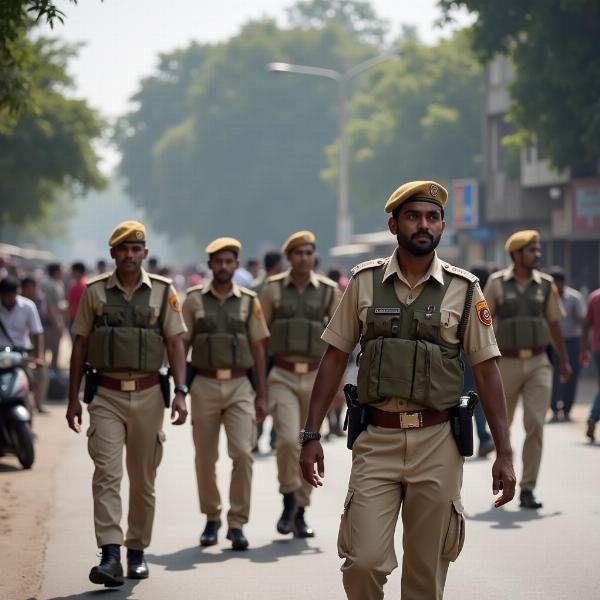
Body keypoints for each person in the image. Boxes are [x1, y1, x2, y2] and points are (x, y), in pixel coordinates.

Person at [299, 181, 516, 600]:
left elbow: (487, 372)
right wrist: (310, 435)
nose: (423, 225)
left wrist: (504, 452)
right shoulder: (364, 283)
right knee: (362, 563)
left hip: (438, 443)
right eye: (414, 216)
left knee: (424, 575)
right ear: (393, 224)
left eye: (432, 218)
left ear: (442, 226)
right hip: (376, 440)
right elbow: (333, 359)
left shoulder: (466, 288)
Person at [65, 220, 189, 587]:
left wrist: (181, 391)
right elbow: (81, 345)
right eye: (124, 249)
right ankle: (110, 553)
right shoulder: (95, 292)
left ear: (145, 253)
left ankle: (136, 549)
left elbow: (175, 344)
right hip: (105, 394)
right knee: (106, 472)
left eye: (137, 249)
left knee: (143, 478)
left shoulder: (163, 292)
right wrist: (73, 398)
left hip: (151, 394)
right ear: (113, 254)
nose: (130, 255)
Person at [182, 237, 269, 550]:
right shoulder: (193, 300)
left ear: (236, 265)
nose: (223, 266)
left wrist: (262, 394)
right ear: (209, 265)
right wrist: (180, 389)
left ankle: (237, 523)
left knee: (243, 454)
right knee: (205, 457)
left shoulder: (249, 301)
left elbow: (259, 348)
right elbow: (182, 345)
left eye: (229, 261)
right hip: (203, 384)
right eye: (218, 261)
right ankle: (211, 516)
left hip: (239, 387)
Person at [259, 231, 339, 538]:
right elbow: (260, 337)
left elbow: (341, 338)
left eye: (308, 253)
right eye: (298, 253)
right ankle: (289, 497)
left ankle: (302, 510)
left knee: (310, 442)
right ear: (289, 257)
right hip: (283, 374)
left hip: (317, 377)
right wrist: (259, 387)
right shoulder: (273, 289)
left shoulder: (330, 291)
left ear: (314, 257)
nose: (304, 258)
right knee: (287, 440)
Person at [484, 230, 570, 510]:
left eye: (538, 249)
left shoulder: (545, 285)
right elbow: (482, 324)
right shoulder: (497, 284)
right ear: (517, 254)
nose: (538, 255)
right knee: (502, 426)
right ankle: (503, 472)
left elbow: (554, 324)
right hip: (505, 363)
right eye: (532, 250)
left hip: (538, 363)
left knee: (535, 423)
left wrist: (564, 360)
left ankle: (528, 488)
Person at [251, 250, 283, 452]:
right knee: (272, 396)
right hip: (274, 350)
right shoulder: (278, 288)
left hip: (260, 350)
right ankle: (271, 436)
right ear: (278, 265)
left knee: (261, 394)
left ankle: (258, 436)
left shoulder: (254, 287)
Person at [0, 277, 45, 414]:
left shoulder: (28, 306)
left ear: (17, 293)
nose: (8, 299)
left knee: (34, 380)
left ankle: (33, 407)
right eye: (5, 296)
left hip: (21, 354)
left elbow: (37, 332)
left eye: (11, 295)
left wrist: (39, 356)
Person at [547, 267, 585, 422]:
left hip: (572, 342)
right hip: (553, 343)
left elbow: (582, 320)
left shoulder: (574, 298)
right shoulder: (547, 297)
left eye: (557, 284)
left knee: (572, 375)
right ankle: (555, 409)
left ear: (563, 283)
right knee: (555, 376)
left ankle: (567, 410)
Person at [20, 277, 49, 412]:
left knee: (41, 374)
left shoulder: (30, 304)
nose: (35, 291)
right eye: (33, 288)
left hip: (26, 351)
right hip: (7, 353)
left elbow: (37, 333)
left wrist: (39, 356)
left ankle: (38, 404)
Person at [581, 286, 600, 442]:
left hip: (597, 348)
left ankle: (594, 416)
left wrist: (584, 349)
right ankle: (594, 415)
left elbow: (586, 324)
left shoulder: (594, 296)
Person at [42, 263, 67, 370]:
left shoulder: (57, 284)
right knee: (48, 351)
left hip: (54, 321)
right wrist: (57, 325)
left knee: (53, 351)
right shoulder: (50, 285)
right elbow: (49, 308)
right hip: (50, 323)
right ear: (56, 272)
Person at [67, 262, 87, 341]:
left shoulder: (74, 286)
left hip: (75, 319)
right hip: (86, 319)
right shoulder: (88, 283)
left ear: (76, 271)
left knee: (76, 343)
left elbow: (70, 303)